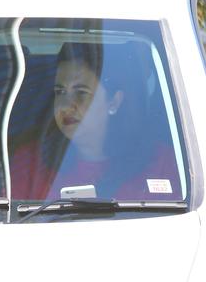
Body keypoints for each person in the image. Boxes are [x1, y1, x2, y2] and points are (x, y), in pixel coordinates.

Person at [10, 42, 182, 201]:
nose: (66, 106)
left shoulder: (161, 165)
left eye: (81, 92)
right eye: (60, 92)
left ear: (114, 101)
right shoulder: (30, 162)